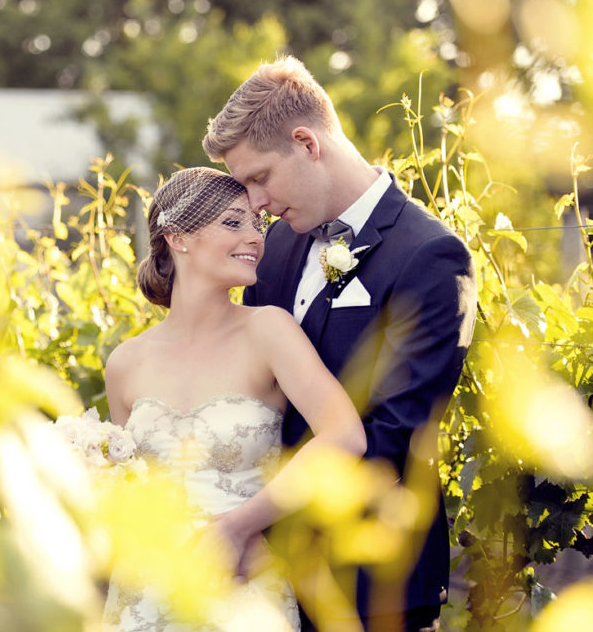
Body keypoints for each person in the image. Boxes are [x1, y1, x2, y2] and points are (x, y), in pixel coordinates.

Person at [202, 56, 477, 631]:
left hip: (371, 583)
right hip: (257, 581)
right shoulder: (276, 248)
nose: (254, 204)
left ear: (306, 143)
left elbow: (394, 437)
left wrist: (252, 524)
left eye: (258, 178)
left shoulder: (431, 257)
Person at [102, 167, 367, 631]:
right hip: (144, 592)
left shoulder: (268, 330)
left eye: (256, 224)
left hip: (241, 587)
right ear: (178, 237)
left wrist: (239, 526)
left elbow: (345, 437)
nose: (255, 238)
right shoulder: (125, 363)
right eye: (233, 223)